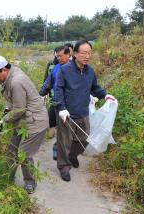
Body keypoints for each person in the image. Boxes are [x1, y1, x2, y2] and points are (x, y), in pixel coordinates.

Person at [0, 55, 49, 194]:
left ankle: (30, 182)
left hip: (35, 122)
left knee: (23, 154)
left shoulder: (16, 81)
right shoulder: (12, 73)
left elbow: (20, 109)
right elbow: (14, 100)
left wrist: (5, 119)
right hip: (24, 121)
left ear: (3, 70)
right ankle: (8, 176)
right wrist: (7, 110)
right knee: (11, 150)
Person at [54, 39, 115, 182]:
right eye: (84, 53)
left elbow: (95, 87)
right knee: (64, 142)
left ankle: (72, 156)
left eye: (89, 53)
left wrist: (105, 95)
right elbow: (58, 90)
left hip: (83, 112)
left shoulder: (90, 71)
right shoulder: (65, 70)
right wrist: (61, 108)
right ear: (75, 54)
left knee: (83, 140)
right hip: (66, 114)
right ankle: (63, 167)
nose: (87, 56)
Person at [39, 46, 71, 161]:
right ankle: (58, 151)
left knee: (70, 131)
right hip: (58, 103)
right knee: (61, 129)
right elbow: (48, 84)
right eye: (57, 56)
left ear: (68, 54)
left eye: (61, 56)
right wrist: (40, 96)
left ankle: (69, 152)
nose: (58, 58)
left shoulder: (76, 67)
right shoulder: (55, 68)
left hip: (72, 105)